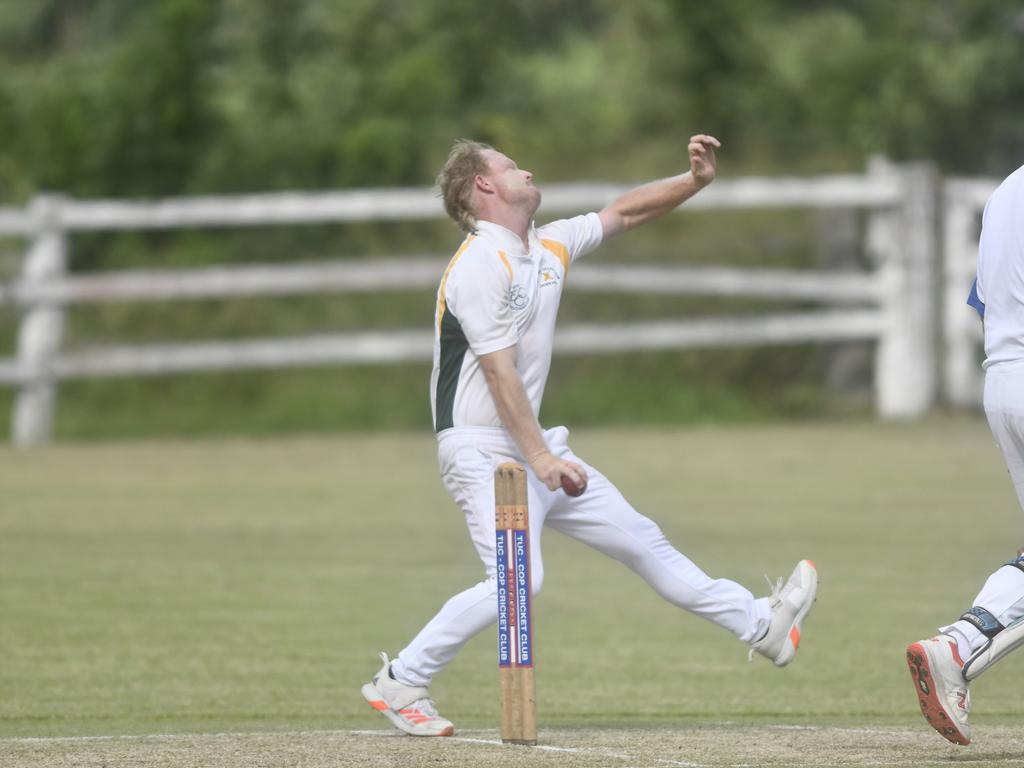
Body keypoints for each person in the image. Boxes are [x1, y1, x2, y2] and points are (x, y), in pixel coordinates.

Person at [361, 136, 818, 737]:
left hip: (534, 448)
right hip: (477, 446)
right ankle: (401, 680)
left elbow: (626, 212)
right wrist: (542, 457)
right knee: (519, 583)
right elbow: (499, 376)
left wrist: (694, 182)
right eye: (507, 165)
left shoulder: (546, 245)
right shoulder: (478, 264)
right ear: (484, 186)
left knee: (645, 544)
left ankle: (761, 625)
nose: (524, 167)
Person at [906, 163, 1024, 747]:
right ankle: (960, 645)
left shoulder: (1007, 189)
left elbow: (980, 302)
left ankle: (961, 640)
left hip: (1003, 380)